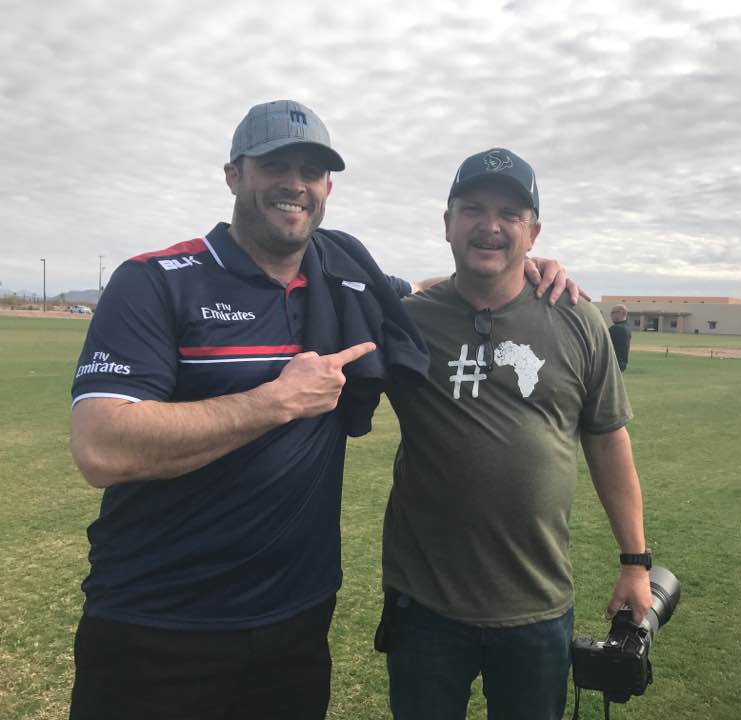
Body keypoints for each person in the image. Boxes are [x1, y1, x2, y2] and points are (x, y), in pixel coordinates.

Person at [67, 101, 576, 720]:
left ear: (328, 187)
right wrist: (273, 402)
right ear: (234, 175)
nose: (295, 184)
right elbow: (101, 447)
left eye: (311, 170)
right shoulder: (157, 280)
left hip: (295, 621)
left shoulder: (347, 278)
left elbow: (427, 291)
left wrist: (530, 268)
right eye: (274, 165)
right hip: (158, 621)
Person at [380, 148, 653, 720]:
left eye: (510, 213)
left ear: (534, 232)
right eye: (473, 209)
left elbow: (607, 441)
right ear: (447, 223)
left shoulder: (578, 319)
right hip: (426, 604)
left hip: (537, 604)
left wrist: (635, 562)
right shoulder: (407, 320)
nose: (491, 225)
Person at [608, 304, 632, 371]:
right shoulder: (627, 327)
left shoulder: (616, 328)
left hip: (613, 364)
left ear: (620, 313)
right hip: (622, 363)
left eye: (613, 313)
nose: (610, 315)